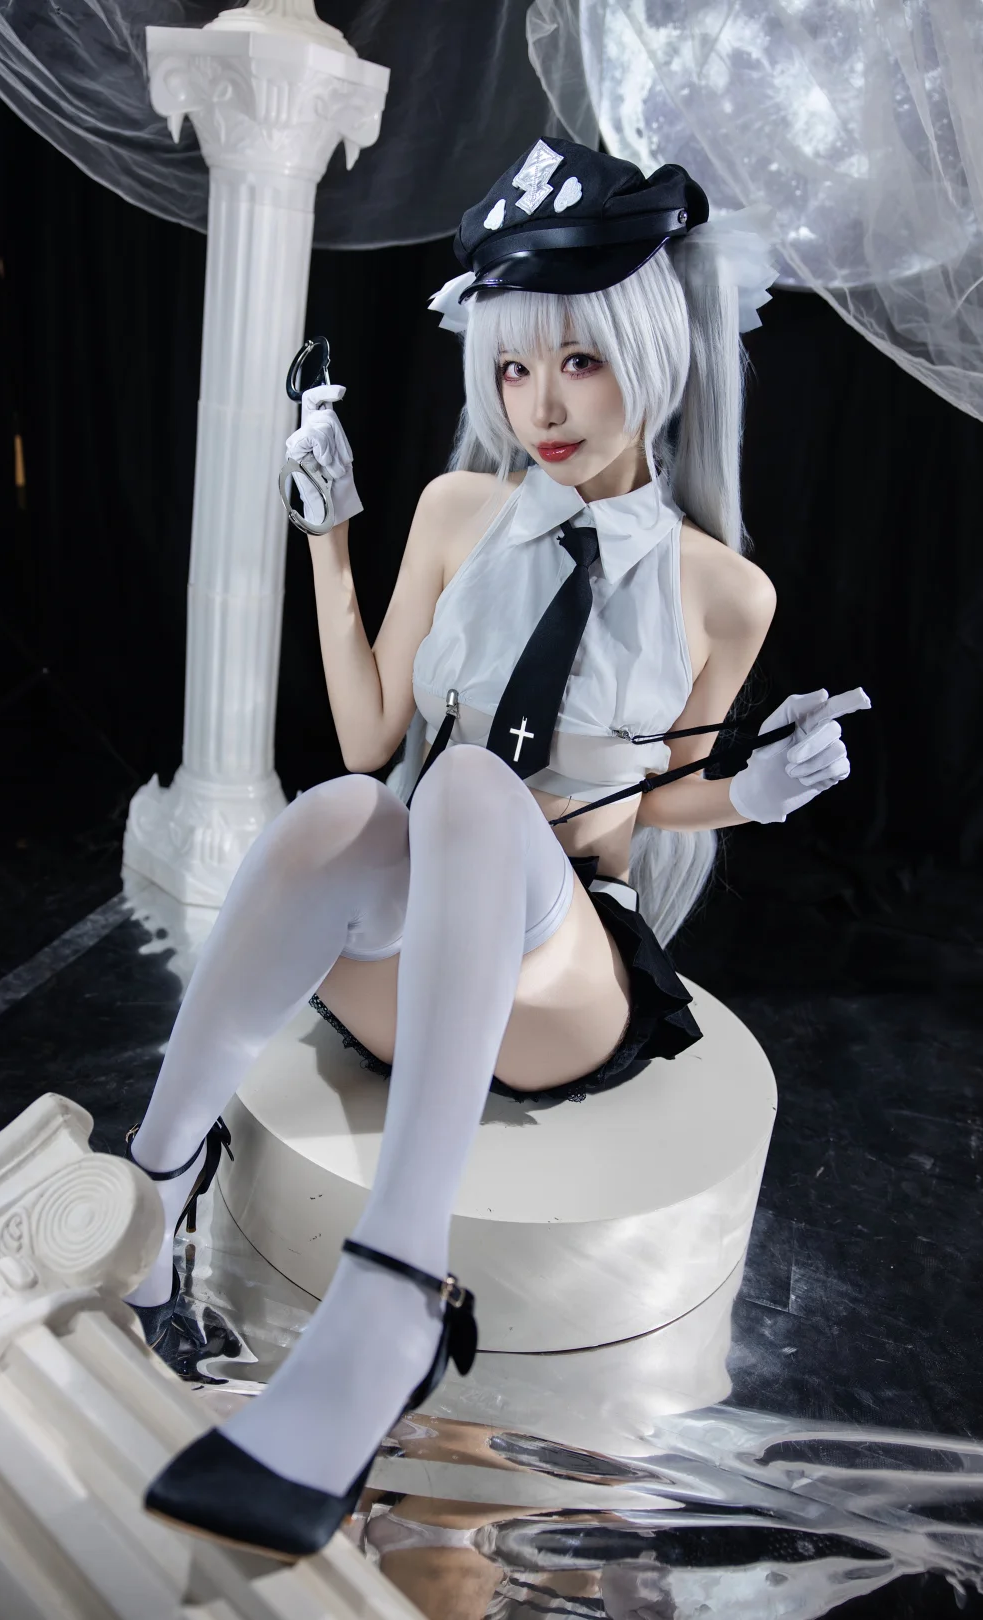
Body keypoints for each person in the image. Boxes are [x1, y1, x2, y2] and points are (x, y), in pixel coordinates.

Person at [126, 140, 861, 1560]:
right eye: (515, 368)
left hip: (564, 972)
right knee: (349, 813)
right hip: (418, 955)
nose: (542, 405)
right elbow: (364, 740)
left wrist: (755, 797)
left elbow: (655, 799)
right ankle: (151, 1195)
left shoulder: (724, 591)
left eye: (580, 361)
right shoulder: (458, 512)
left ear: (655, 354)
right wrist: (328, 537)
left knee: (465, 790)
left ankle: (394, 1289)